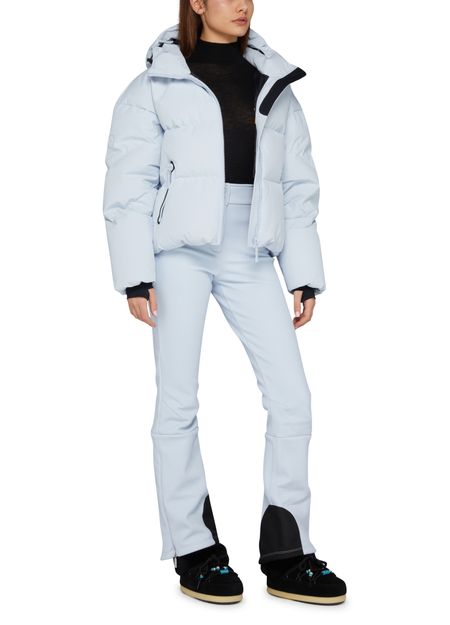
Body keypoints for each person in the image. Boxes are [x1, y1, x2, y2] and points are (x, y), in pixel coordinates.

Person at [102, 0, 347, 606]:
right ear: (196, 3)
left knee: (292, 398)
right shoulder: (154, 85)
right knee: (178, 400)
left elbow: (297, 186)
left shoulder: (275, 83)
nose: (243, 4)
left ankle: (288, 553)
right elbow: (129, 185)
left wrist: (303, 274)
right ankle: (195, 548)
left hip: (252, 248)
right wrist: (136, 275)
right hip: (177, 252)